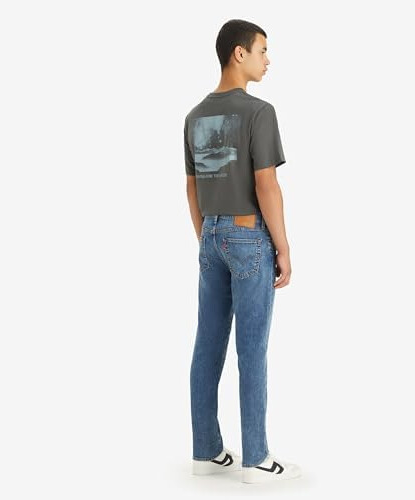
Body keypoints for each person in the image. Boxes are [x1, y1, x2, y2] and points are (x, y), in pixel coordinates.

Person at [183, 19, 301, 484]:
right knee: (252, 349)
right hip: (250, 237)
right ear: (239, 53)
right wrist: (283, 247)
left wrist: (207, 237)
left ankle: (206, 451)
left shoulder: (194, 116)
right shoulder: (259, 112)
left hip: (210, 234)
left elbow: (191, 187)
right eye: (262, 50)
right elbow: (266, 184)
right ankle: (256, 459)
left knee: (207, 345)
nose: (267, 60)